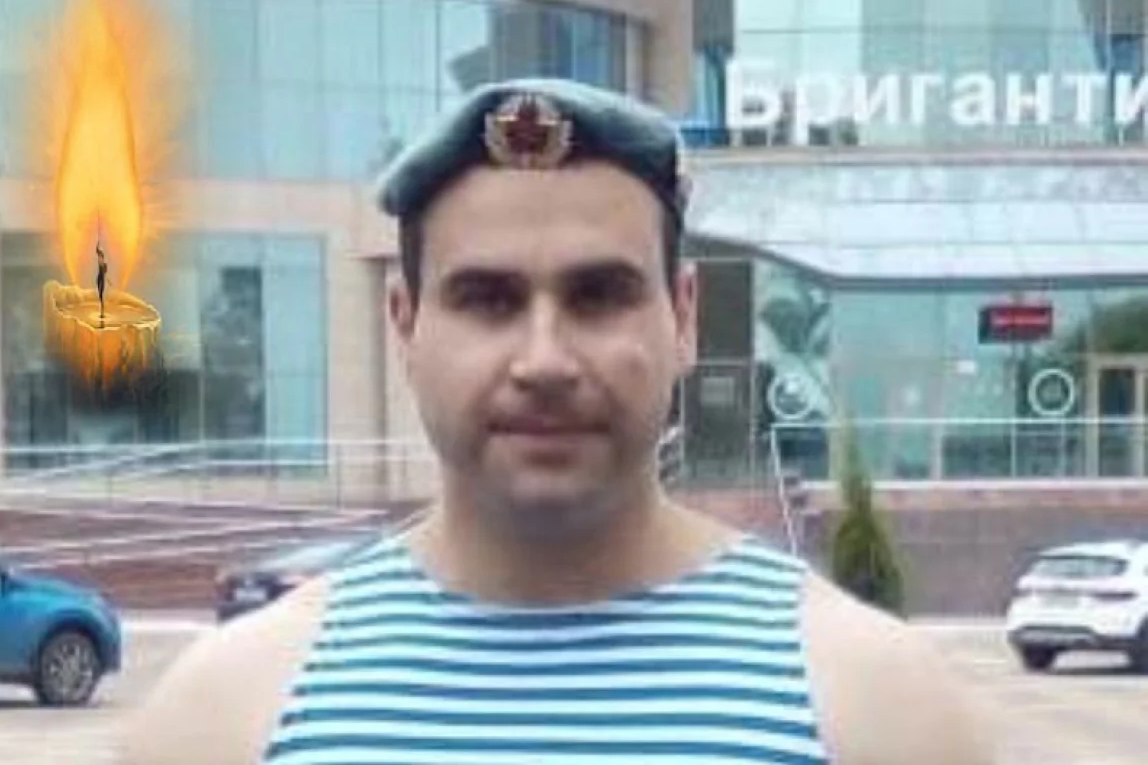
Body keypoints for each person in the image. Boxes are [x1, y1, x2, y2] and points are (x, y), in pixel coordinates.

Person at [122, 79, 995, 765]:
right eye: (488, 299)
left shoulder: (876, 708)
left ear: (685, 316)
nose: (544, 360)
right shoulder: (230, 715)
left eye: (599, 295)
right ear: (405, 324)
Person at [96, 241, 109, 320]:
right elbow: (97, 251)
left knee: (101, 293)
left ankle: (102, 308)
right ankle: (101, 307)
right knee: (99, 293)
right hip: (99, 277)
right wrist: (98, 243)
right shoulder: (100, 262)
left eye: (101, 257)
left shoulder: (104, 265)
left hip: (102, 279)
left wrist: (104, 270)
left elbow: (105, 272)